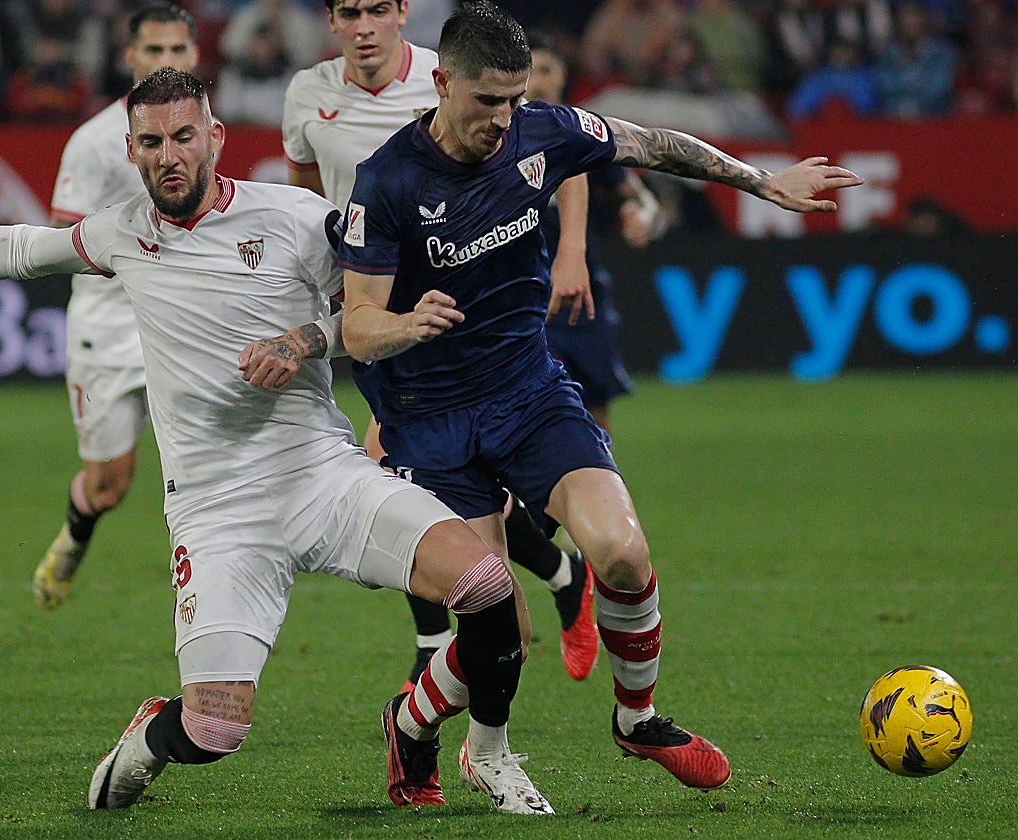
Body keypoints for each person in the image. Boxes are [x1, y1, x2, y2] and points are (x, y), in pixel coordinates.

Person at [0, 67, 553, 816]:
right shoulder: (124, 232)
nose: (169, 154)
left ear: (213, 138)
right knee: (214, 728)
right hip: (218, 512)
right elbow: (24, 248)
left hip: (320, 474)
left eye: (184, 135)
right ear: (133, 150)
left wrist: (307, 342)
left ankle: (454, 742)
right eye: (151, 141)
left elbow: (372, 320)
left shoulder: (295, 217)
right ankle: (153, 736)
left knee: (486, 588)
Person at [339, 0, 862, 795]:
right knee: (498, 629)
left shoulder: (540, 133)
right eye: (487, 102)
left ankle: (637, 719)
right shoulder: (389, 182)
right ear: (441, 83)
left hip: (529, 391)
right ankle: (414, 725)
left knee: (620, 550)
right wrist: (407, 325)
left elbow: (653, 144)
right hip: (434, 420)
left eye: (514, 100)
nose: (503, 119)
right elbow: (357, 326)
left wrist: (763, 183)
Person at [282, 0, 599, 689]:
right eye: (348, 11)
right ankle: (560, 575)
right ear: (331, 20)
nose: (363, 25)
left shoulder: (454, 75)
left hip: (456, 312)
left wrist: (570, 247)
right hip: (373, 306)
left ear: (401, 14)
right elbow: (310, 202)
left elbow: (556, 150)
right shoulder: (306, 95)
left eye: (376, 9)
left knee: (404, 480)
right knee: (427, 488)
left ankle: (436, 648)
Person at [31, 2, 199, 610]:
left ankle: (210, 578)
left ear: (195, 55)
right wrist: (133, 248)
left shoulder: (204, 132)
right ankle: (73, 541)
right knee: (109, 486)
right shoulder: (96, 142)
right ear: (130, 58)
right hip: (108, 329)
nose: (166, 62)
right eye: (154, 51)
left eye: (177, 50)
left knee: (206, 465)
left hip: (182, 329)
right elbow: (59, 237)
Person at [526, 28, 661, 433]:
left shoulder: (584, 135)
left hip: (579, 303)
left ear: (563, 74)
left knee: (593, 415)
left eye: (546, 69)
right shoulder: (496, 138)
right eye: (528, 70)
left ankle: (595, 490)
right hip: (519, 301)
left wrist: (642, 214)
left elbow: (640, 198)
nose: (537, 82)